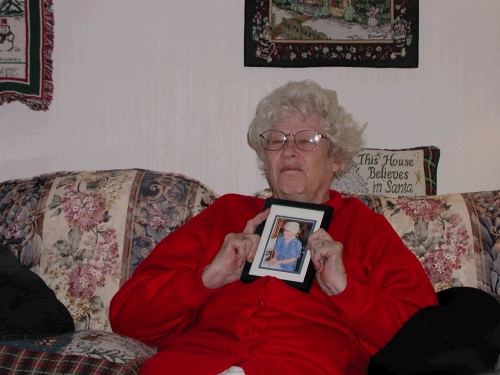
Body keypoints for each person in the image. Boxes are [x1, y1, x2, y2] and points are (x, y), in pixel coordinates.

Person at [110, 80, 438, 375]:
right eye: (277, 140)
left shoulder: (365, 228)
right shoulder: (228, 212)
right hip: (197, 364)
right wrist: (206, 280)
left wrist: (346, 290)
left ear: (335, 158)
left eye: (308, 140)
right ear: (266, 157)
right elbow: (126, 316)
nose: (289, 150)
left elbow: (425, 340)